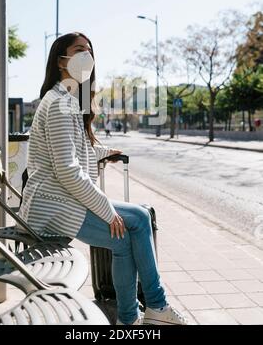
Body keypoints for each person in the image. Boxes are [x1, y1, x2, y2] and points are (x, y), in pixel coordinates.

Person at [18, 32, 188, 326]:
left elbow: (77, 149)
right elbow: (67, 171)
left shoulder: (68, 99)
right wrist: (107, 211)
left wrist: (105, 151)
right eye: (79, 49)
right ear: (61, 61)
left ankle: (128, 317)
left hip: (62, 200)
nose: (87, 55)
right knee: (138, 218)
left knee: (122, 243)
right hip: (52, 206)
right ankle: (157, 306)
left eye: (90, 50)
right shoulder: (58, 103)